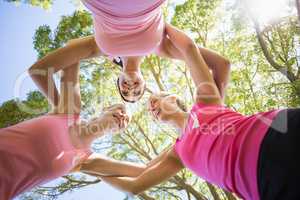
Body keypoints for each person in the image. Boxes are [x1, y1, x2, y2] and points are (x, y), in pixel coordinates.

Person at [76, 24, 300, 200]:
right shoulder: (177, 152)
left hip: (281, 134)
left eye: (154, 100)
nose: (151, 107)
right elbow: (136, 182)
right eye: (150, 108)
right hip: (263, 185)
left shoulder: (206, 102)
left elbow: (190, 49)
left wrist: (158, 32)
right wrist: (81, 164)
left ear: (174, 98)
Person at [31, 0, 230, 103]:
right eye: (137, 92)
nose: (130, 88)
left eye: (125, 92)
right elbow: (222, 64)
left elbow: (39, 72)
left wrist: (61, 109)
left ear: (118, 80)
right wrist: (215, 111)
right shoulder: (162, 47)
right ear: (144, 82)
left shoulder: (101, 48)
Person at [0, 51, 130, 200]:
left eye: (127, 121)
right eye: (122, 109)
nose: (123, 116)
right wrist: (111, 50)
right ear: (105, 109)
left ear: (116, 131)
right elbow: (73, 52)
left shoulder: (86, 158)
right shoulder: (70, 112)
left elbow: (142, 174)